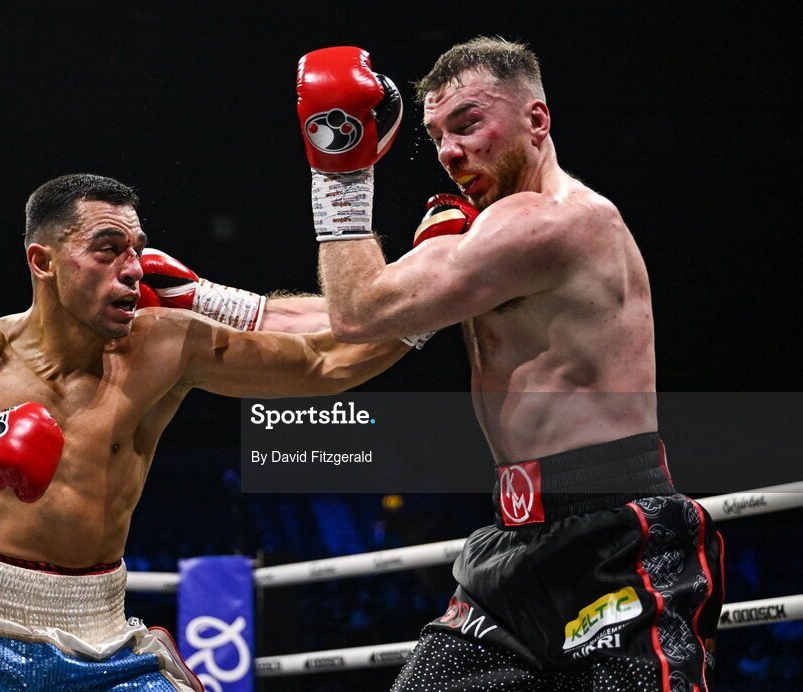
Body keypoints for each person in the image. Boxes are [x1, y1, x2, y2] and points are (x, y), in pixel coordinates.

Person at [0, 173, 410, 691]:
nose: (133, 269)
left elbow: (327, 364)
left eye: (135, 251)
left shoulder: (166, 344)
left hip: (101, 642)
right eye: (108, 251)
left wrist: (439, 301)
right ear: (43, 262)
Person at [295, 39, 724, 690]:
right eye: (438, 134)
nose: (449, 151)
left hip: (616, 542)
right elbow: (339, 317)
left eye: (468, 123)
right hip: (514, 546)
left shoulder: (551, 222)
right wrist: (205, 303)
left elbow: (359, 311)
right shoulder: (486, 234)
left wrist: (338, 164)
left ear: (537, 120)